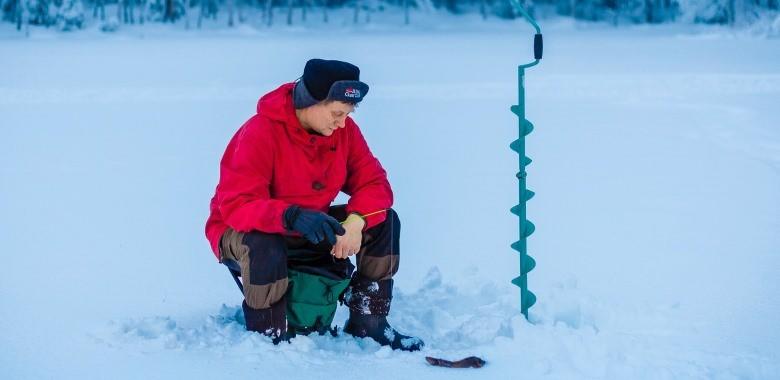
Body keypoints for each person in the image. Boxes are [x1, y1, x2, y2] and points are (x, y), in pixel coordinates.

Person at [204, 58, 424, 351]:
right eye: (336, 113)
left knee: (384, 220)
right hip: (242, 231)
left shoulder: (343, 132)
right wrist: (291, 216)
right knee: (262, 241)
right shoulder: (260, 132)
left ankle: (369, 323)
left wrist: (356, 222)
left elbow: (375, 184)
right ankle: (268, 334)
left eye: (348, 113)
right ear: (310, 101)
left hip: (309, 227)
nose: (342, 122)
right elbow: (237, 206)